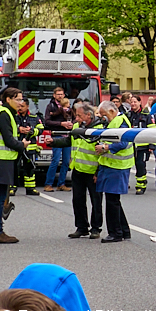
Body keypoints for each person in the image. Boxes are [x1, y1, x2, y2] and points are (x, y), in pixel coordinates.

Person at [49, 102, 104, 239]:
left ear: (88, 115)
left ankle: (96, 228)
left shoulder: (99, 129)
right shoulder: (76, 126)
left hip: (92, 171)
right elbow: (69, 141)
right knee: (78, 200)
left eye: (79, 116)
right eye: (76, 116)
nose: (76, 119)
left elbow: (103, 153)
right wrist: (53, 142)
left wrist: (98, 172)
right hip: (78, 169)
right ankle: (81, 227)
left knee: (96, 201)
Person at [0, 87, 28, 243]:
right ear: (8, 99)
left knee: (0, 195)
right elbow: (8, 140)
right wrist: (22, 145)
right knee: (0, 197)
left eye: (22, 99)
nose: (21, 103)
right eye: (18, 99)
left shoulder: (6, 112)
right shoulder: (4, 113)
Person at [92, 102, 132, 243]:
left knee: (112, 201)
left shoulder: (121, 122)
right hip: (111, 165)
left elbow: (124, 143)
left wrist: (105, 147)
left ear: (111, 111)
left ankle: (115, 233)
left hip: (117, 166)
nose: (103, 118)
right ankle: (124, 231)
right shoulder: (114, 121)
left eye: (104, 114)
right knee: (114, 200)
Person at [42, 87, 74, 192]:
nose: (60, 96)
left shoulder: (68, 107)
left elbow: (74, 118)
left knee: (66, 162)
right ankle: (48, 184)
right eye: (58, 94)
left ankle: (61, 184)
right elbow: (47, 121)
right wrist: (61, 124)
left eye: (61, 94)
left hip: (67, 136)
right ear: (54, 95)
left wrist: (72, 124)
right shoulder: (51, 106)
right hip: (56, 135)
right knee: (55, 161)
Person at [124, 94, 153, 194]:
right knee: (127, 165)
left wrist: (152, 145)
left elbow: (152, 130)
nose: (133, 104)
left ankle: (141, 185)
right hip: (130, 146)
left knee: (140, 165)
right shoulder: (127, 115)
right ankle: (125, 184)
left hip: (142, 146)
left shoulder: (146, 115)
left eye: (135, 102)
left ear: (140, 102)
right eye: (131, 102)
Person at [12, 98, 42, 196]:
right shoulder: (14, 116)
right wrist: (19, 129)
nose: (20, 108)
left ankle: (30, 188)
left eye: (22, 106)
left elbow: (41, 128)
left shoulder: (34, 117)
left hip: (30, 148)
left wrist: (32, 131)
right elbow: (8, 128)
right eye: (19, 106)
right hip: (16, 146)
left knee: (30, 168)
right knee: (14, 168)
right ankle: (12, 188)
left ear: (28, 106)